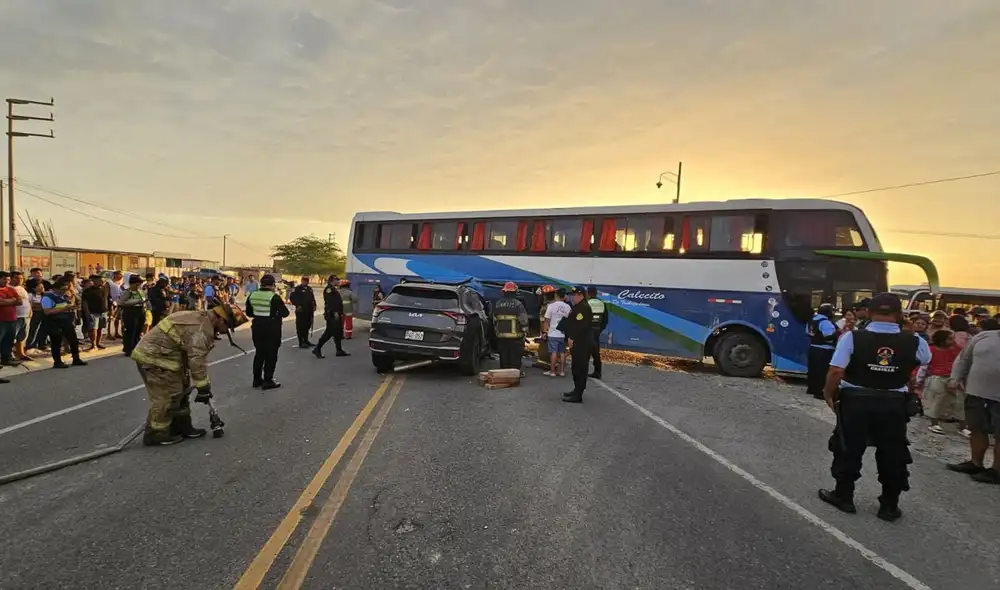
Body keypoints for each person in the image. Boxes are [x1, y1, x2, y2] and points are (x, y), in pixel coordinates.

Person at [819, 293, 930, 521]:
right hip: (893, 404)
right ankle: (889, 506)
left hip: (856, 400)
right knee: (893, 452)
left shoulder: (852, 337)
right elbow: (924, 359)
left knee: (848, 447)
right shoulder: (915, 340)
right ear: (899, 315)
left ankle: (844, 496)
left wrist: (828, 393)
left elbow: (836, 370)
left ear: (869, 312)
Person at [131, 300, 247, 446]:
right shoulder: (202, 329)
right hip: (155, 360)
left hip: (170, 358)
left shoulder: (201, 319)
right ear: (220, 318)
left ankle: (181, 427)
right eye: (227, 327)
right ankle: (156, 434)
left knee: (181, 392)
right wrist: (203, 387)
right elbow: (197, 361)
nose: (225, 332)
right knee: (166, 396)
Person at [946, 318, 1000, 484]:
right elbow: (964, 358)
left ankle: (997, 470)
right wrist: (955, 378)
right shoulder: (984, 336)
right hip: (976, 392)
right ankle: (976, 462)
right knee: (976, 428)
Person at [916, 329, 965, 436]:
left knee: (960, 401)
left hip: (954, 377)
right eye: (950, 339)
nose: (953, 341)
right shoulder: (932, 350)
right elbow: (924, 367)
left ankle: (963, 426)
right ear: (942, 340)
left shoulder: (957, 350)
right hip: (937, 378)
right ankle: (934, 422)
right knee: (938, 400)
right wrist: (919, 380)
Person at [245, 274, 290, 389]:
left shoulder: (252, 295)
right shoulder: (274, 297)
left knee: (259, 353)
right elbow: (285, 313)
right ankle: (268, 380)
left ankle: (256, 380)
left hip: (257, 327)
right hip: (271, 328)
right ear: (273, 285)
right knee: (271, 354)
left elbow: (249, 313)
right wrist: (274, 314)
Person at [40, 277, 88, 369]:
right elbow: (47, 311)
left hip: (66, 321)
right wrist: (64, 309)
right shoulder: (47, 297)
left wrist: (71, 307)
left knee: (73, 340)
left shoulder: (64, 296)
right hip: (54, 322)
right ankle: (57, 362)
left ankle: (76, 359)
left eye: (66, 289)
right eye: (62, 290)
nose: (64, 291)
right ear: (55, 289)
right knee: (56, 342)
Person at [562, 286, 594, 403]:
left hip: (582, 343)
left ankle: (578, 394)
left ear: (580, 295)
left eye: (574, 295)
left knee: (580, 368)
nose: (573, 297)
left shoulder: (583, 308)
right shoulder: (579, 307)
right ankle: (576, 390)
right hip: (578, 342)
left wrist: (572, 337)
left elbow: (580, 326)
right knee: (576, 367)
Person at [493, 281, 529, 372]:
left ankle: (504, 373)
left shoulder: (497, 304)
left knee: (504, 356)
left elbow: (493, 319)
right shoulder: (518, 304)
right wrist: (525, 331)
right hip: (516, 337)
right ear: (514, 292)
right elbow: (523, 319)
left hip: (501, 336)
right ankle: (514, 374)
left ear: (504, 292)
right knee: (515, 357)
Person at [806, 303, 838, 400]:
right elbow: (828, 337)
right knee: (822, 372)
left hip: (813, 348)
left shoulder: (812, 320)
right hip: (824, 350)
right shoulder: (825, 322)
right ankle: (819, 392)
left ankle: (811, 388)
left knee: (813, 370)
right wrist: (838, 335)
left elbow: (807, 333)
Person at [314, 275, 349, 359]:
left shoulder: (333, 289)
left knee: (337, 333)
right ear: (333, 280)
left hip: (336, 313)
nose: (338, 282)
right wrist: (335, 312)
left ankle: (339, 350)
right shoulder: (329, 289)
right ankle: (317, 348)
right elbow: (331, 302)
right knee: (329, 332)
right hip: (332, 314)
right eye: (337, 280)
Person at [542, 288, 571, 377]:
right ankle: (562, 371)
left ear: (556, 295)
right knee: (562, 352)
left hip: (553, 333)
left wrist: (544, 331)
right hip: (563, 334)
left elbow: (546, 320)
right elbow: (570, 320)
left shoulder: (551, 306)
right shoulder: (568, 307)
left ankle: (552, 371)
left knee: (553, 352)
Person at [118, 274, 148, 356]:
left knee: (138, 331)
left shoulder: (141, 291)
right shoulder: (127, 292)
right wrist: (135, 302)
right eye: (136, 284)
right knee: (130, 331)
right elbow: (121, 303)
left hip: (140, 311)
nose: (138, 286)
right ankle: (129, 349)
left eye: (139, 284)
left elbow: (144, 300)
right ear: (132, 284)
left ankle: (136, 348)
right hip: (130, 312)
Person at [0, 271, 23, 370]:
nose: (7, 281)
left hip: (12, 319)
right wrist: (12, 300)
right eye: (4, 279)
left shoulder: (11, 289)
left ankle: (7, 358)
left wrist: (6, 301)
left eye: (8, 279)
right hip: (1, 320)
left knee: (9, 340)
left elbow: (20, 301)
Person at [81, 275, 110, 351]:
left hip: (103, 312)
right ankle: (93, 345)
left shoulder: (104, 289)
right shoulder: (88, 291)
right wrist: (87, 311)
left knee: (100, 328)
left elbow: (107, 299)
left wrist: (109, 310)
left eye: (103, 281)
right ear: (95, 281)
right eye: (101, 281)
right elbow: (84, 302)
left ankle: (98, 343)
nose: (102, 282)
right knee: (93, 329)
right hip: (93, 311)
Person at [586, 286, 608, 379]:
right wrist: (600, 329)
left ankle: (583, 371)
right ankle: (597, 372)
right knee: (596, 352)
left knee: (585, 351)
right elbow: (605, 319)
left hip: (587, 330)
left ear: (588, 293)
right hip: (597, 330)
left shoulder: (586, 303)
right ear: (596, 293)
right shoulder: (602, 303)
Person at [289, 276, 317, 348]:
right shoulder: (297, 289)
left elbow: (312, 298)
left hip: (309, 310)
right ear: (301, 281)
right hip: (301, 310)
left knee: (307, 325)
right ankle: (301, 342)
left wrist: (314, 305)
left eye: (307, 281)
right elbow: (292, 298)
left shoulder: (309, 289)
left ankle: (306, 340)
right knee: (301, 326)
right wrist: (297, 305)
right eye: (304, 280)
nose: (306, 282)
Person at [10, 271, 31, 362]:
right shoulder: (8, 288)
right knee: (11, 337)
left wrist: (30, 311)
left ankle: (21, 353)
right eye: (16, 278)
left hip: (25, 316)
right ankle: (9, 355)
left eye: (21, 278)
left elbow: (27, 301)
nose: (19, 280)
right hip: (14, 316)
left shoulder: (22, 288)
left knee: (22, 336)